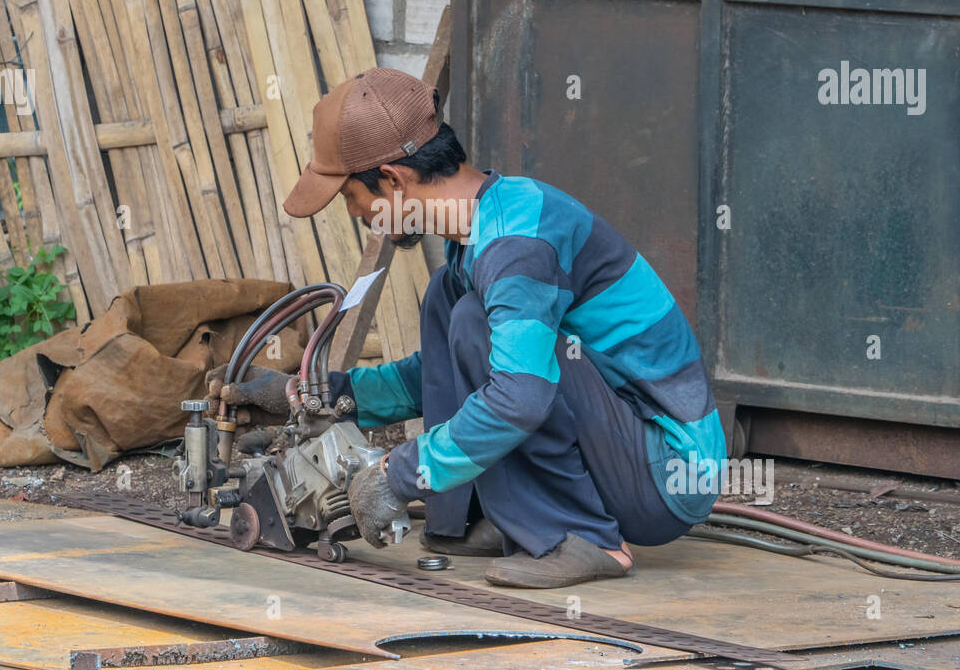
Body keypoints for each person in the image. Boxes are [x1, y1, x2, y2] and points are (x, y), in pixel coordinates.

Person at [220, 66, 726, 588]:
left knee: (475, 327)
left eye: (352, 197)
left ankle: (583, 536)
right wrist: (324, 394)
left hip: (665, 470)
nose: (355, 212)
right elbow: (438, 375)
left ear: (392, 180)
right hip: (624, 444)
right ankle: (472, 517)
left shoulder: (517, 248)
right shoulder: (483, 232)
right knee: (450, 302)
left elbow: (519, 396)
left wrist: (398, 474)